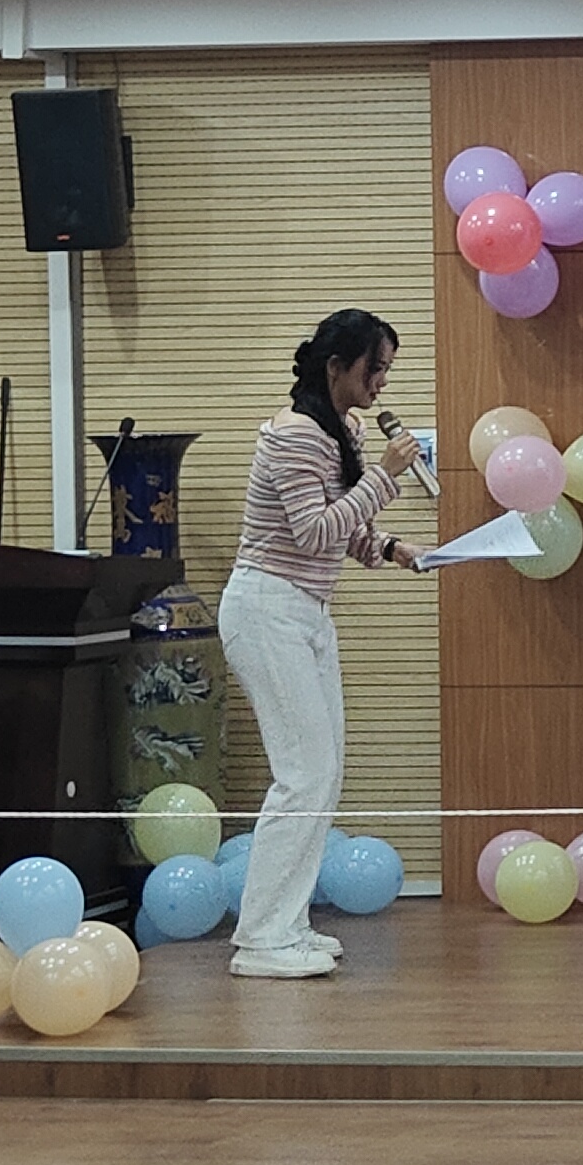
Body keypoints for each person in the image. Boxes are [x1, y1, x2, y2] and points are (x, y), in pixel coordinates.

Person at [216, 310, 425, 979]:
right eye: (375, 368)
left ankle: (288, 924)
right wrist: (384, 478)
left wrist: (390, 548)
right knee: (301, 774)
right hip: (265, 608)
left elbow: (342, 529)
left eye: (387, 369)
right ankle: (260, 940)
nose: (382, 382)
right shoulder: (294, 434)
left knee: (324, 772)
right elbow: (311, 532)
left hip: (305, 611)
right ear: (336, 367)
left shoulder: (342, 430)